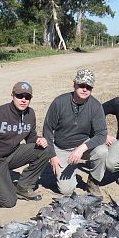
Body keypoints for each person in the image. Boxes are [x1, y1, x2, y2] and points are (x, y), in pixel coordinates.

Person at [43, 69, 108, 197]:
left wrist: (81, 149)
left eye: (88, 87)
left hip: (83, 146)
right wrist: (52, 155)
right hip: (62, 147)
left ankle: (93, 182)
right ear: (74, 83)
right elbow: (47, 130)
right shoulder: (59, 102)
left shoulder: (95, 106)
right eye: (82, 85)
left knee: (102, 151)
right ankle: (68, 170)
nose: (85, 89)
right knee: (66, 191)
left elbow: (101, 134)